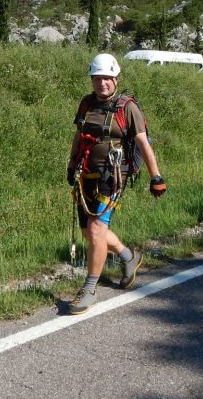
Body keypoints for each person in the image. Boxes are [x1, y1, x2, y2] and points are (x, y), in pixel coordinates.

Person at [66, 53, 166, 314]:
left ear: (116, 79)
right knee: (89, 232)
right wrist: (71, 165)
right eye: (97, 78)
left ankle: (89, 288)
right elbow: (78, 136)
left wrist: (156, 177)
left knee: (96, 229)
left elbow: (143, 143)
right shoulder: (86, 103)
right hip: (86, 175)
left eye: (107, 78)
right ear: (92, 79)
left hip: (112, 177)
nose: (102, 83)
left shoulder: (127, 107)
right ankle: (128, 257)